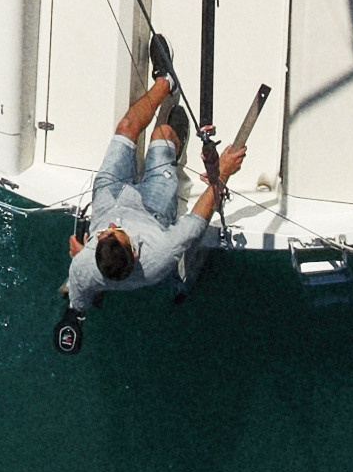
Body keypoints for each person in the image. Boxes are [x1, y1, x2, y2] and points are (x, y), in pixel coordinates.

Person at [63, 42, 245, 319]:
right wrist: (222, 173)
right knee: (162, 133)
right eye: (117, 233)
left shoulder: (85, 266)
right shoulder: (160, 254)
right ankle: (174, 145)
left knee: (126, 128)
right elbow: (196, 221)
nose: (111, 226)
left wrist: (74, 315)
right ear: (135, 255)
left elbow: (77, 303)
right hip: (153, 210)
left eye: (103, 234)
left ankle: (166, 80)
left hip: (109, 195)